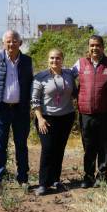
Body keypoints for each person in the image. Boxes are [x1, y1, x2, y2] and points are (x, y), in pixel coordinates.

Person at [0, 30, 33, 196]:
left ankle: (23, 179)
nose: (11, 44)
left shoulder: (27, 61)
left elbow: (31, 83)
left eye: (14, 41)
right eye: (8, 41)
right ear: (4, 43)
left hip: (20, 110)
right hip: (1, 110)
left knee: (21, 146)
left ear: (20, 43)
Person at [72, 35, 107, 188]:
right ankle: (88, 176)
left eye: (97, 45)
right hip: (86, 113)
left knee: (104, 145)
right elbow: (67, 77)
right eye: (92, 45)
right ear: (88, 47)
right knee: (88, 146)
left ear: (103, 47)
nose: (94, 48)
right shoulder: (80, 63)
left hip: (106, 113)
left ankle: (102, 175)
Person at [31, 48, 76, 196]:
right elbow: (35, 100)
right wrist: (40, 119)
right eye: (52, 58)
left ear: (62, 59)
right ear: (48, 60)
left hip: (66, 117)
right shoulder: (40, 77)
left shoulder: (69, 74)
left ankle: (56, 180)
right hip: (47, 118)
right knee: (48, 149)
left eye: (57, 58)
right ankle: (44, 183)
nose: (54, 61)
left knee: (59, 149)